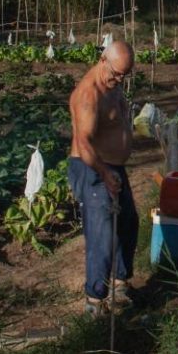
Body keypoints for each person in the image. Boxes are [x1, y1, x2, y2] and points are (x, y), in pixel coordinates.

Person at [68, 40, 138, 315]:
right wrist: (104, 173)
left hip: (112, 166)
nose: (119, 79)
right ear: (102, 60)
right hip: (92, 167)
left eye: (124, 75)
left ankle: (120, 284)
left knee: (129, 222)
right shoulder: (88, 95)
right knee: (102, 233)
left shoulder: (113, 83)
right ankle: (95, 301)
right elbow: (83, 143)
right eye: (116, 73)